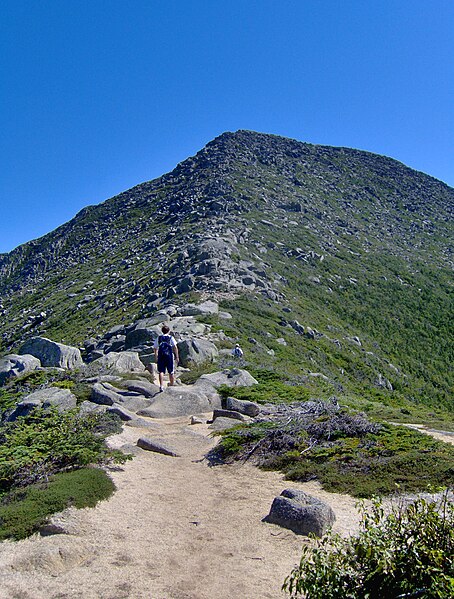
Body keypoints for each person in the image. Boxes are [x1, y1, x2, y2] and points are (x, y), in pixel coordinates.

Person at [154, 324, 179, 392]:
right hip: (169, 356)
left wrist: (156, 356)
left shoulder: (159, 338)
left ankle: (161, 386)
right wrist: (177, 356)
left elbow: (155, 348)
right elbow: (175, 347)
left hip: (161, 356)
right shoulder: (170, 337)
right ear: (168, 331)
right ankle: (171, 384)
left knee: (161, 371)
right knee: (171, 371)